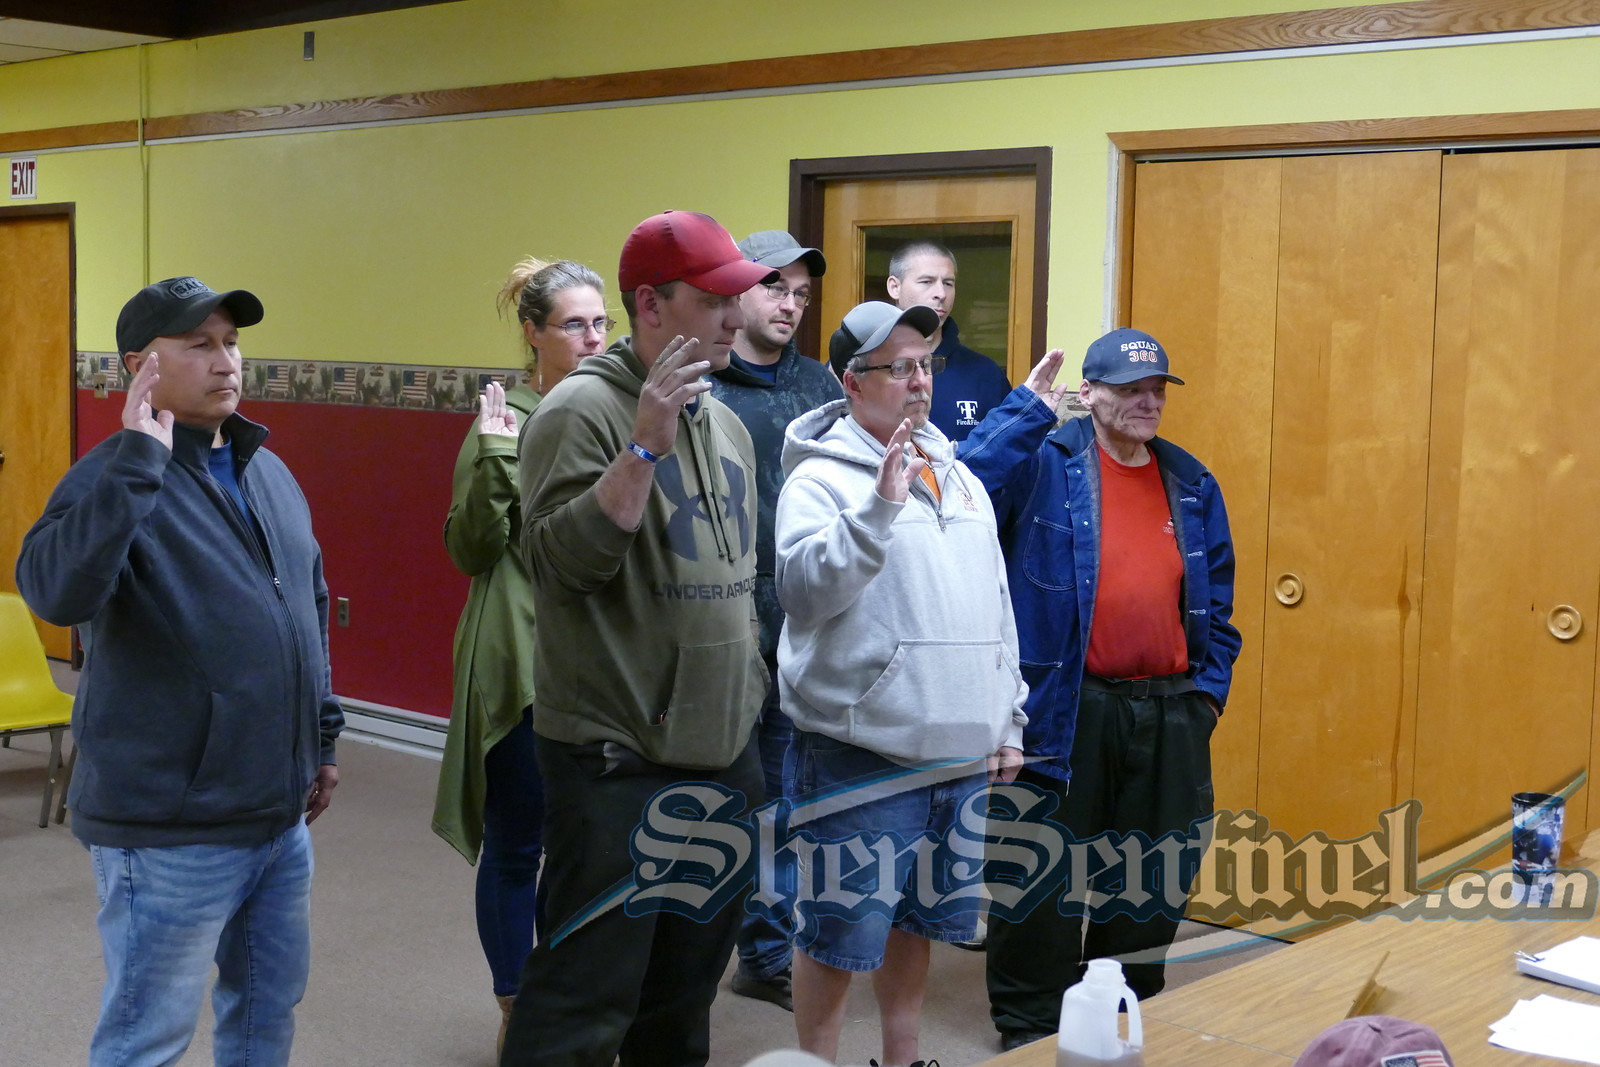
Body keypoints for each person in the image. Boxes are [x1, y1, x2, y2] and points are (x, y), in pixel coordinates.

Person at [15, 276, 343, 1067]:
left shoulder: (266, 470)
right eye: (199, 343)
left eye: (230, 341)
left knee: (267, 1010)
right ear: (142, 367)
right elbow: (56, 590)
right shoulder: (109, 479)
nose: (225, 360)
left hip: (276, 816)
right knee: (146, 1036)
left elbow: (309, 610)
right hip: (168, 828)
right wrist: (138, 463)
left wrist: (322, 739)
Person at [500, 210, 774, 1067]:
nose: (737, 317)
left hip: (721, 754)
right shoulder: (578, 410)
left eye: (741, 298)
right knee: (584, 1002)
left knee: (682, 1000)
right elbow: (561, 566)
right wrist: (643, 449)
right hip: (618, 763)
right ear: (651, 305)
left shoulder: (723, 418)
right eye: (716, 299)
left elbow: (737, 589)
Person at [958, 328, 1241, 1050]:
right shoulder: (1045, 460)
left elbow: (1220, 601)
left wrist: (1205, 694)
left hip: (1168, 708)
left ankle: (1117, 1008)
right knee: (1040, 877)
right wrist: (1026, 410)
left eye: (1156, 390)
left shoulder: (1190, 480)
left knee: (1154, 873)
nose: (1147, 402)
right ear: (1091, 393)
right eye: (1129, 389)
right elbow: (962, 485)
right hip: (1063, 705)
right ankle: (1027, 1028)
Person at [774, 300, 1028, 1067]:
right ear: (852, 382)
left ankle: (902, 1055)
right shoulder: (817, 480)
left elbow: (998, 605)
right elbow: (801, 591)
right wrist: (878, 510)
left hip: (958, 751)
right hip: (862, 752)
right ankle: (815, 1059)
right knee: (839, 933)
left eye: (926, 364)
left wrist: (1006, 716)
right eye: (899, 367)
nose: (919, 381)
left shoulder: (958, 475)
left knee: (917, 920)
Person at [431, 257, 610, 1053]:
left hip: (603, 665)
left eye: (601, 322)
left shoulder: (613, 411)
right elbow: (471, 550)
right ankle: (515, 1003)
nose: (593, 337)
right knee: (519, 844)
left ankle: (565, 999)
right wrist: (501, 457)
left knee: (588, 847)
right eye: (573, 323)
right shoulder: (506, 418)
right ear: (533, 333)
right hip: (527, 663)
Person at [711, 230, 842, 1011]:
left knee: (789, 797)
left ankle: (766, 952)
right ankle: (717, 940)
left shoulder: (821, 385)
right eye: (774, 288)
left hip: (801, 618)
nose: (790, 304)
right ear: (735, 293)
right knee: (727, 796)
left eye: (800, 293)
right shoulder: (706, 380)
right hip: (721, 620)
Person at [885, 240, 1010, 443]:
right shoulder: (865, 367)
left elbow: (1002, 455)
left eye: (948, 283)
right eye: (926, 281)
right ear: (894, 287)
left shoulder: (986, 374)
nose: (941, 294)